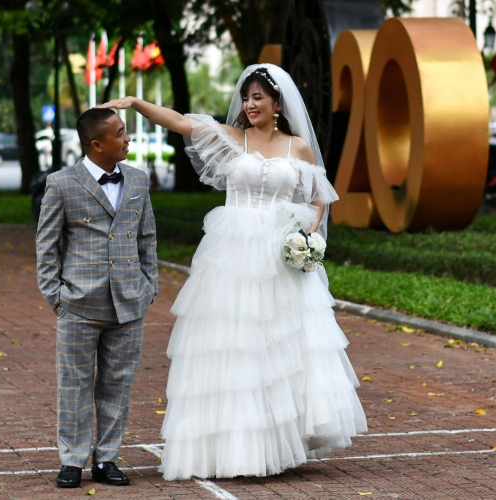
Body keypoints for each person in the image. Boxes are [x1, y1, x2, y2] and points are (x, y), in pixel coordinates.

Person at [99, 63, 367, 480]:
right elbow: (181, 123)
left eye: (258, 97)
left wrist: (310, 232)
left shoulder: (298, 148)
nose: (250, 104)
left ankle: (277, 442)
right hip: (232, 253)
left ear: (278, 103)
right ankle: (231, 446)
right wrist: (136, 104)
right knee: (233, 346)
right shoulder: (230, 138)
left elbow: (320, 197)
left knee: (279, 349)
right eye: (246, 97)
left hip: (279, 258)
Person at [35, 107, 158, 488]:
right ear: (96, 144)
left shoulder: (137, 180)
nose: (128, 138)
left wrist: (148, 285)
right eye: (121, 133)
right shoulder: (61, 183)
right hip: (79, 303)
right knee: (74, 383)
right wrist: (56, 296)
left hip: (129, 301)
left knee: (117, 384)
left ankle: (106, 459)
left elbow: (147, 237)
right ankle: (71, 460)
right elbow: (47, 244)